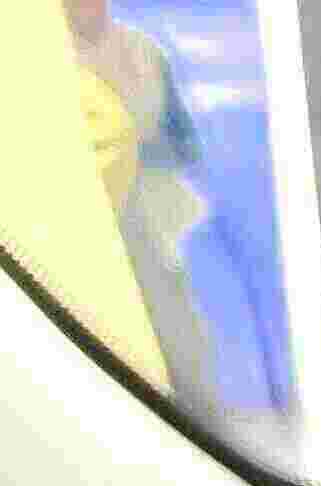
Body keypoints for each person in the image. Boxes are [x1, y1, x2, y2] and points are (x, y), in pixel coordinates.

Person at [61, 0, 219, 409]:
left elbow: (185, 144)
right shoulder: (47, 64)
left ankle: (194, 413)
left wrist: (138, 151)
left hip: (150, 222)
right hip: (80, 227)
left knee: (175, 335)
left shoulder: (145, 52)